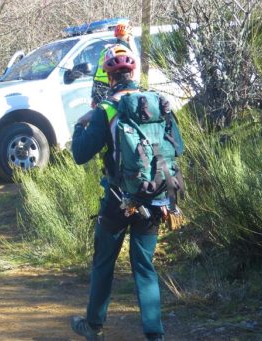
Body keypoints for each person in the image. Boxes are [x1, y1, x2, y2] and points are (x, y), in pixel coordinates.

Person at [70, 45, 166, 341]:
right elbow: (177, 148)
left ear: (108, 77)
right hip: (154, 197)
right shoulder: (157, 103)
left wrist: (79, 124)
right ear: (133, 73)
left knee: (104, 263)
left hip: (117, 201)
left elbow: (80, 154)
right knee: (144, 267)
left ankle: (94, 326)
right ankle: (155, 335)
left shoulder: (106, 110)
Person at [90, 22, 134, 108]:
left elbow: (96, 74)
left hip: (99, 89)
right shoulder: (124, 51)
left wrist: (94, 96)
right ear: (128, 37)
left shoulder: (107, 50)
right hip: (114, 88)